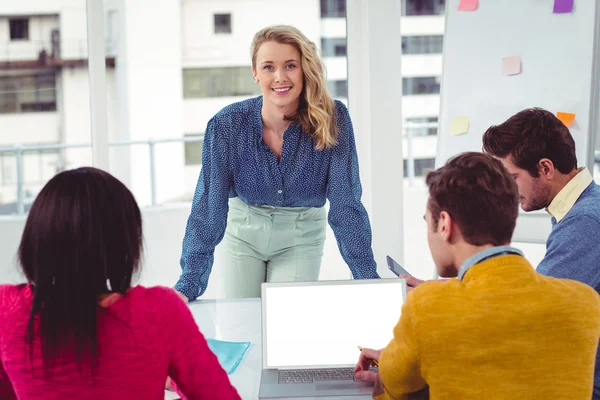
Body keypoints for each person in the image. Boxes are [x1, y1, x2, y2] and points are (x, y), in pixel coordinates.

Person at [355, 152, 600, 399]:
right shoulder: (586, 302)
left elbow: (392, 390)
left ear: (444, 224)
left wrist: (388, 365)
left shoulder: (427, 307)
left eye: (426, 222)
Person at [175, 25, 378, 301]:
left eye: (290, 65)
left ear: (304, 69)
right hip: (243, 233)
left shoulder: (334, 119)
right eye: (269, 67)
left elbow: (346, 204)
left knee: (286, 327)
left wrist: (367, 277)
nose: (280, 77)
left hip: (301, 235)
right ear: (255, 73)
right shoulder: (226, 125)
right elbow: (209, 207)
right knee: (240, 326)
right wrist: (188, 284)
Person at [0, 167, 240, 400]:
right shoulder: (159, 311)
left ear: (36, 238)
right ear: (124, 243)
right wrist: (160, 373)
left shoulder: (5, 309)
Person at [482, 107, 600, 398]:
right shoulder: (581, 208)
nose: (508, 191)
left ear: (545, 168)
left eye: (512, 178)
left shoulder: (585, 221)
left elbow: (531, 308)